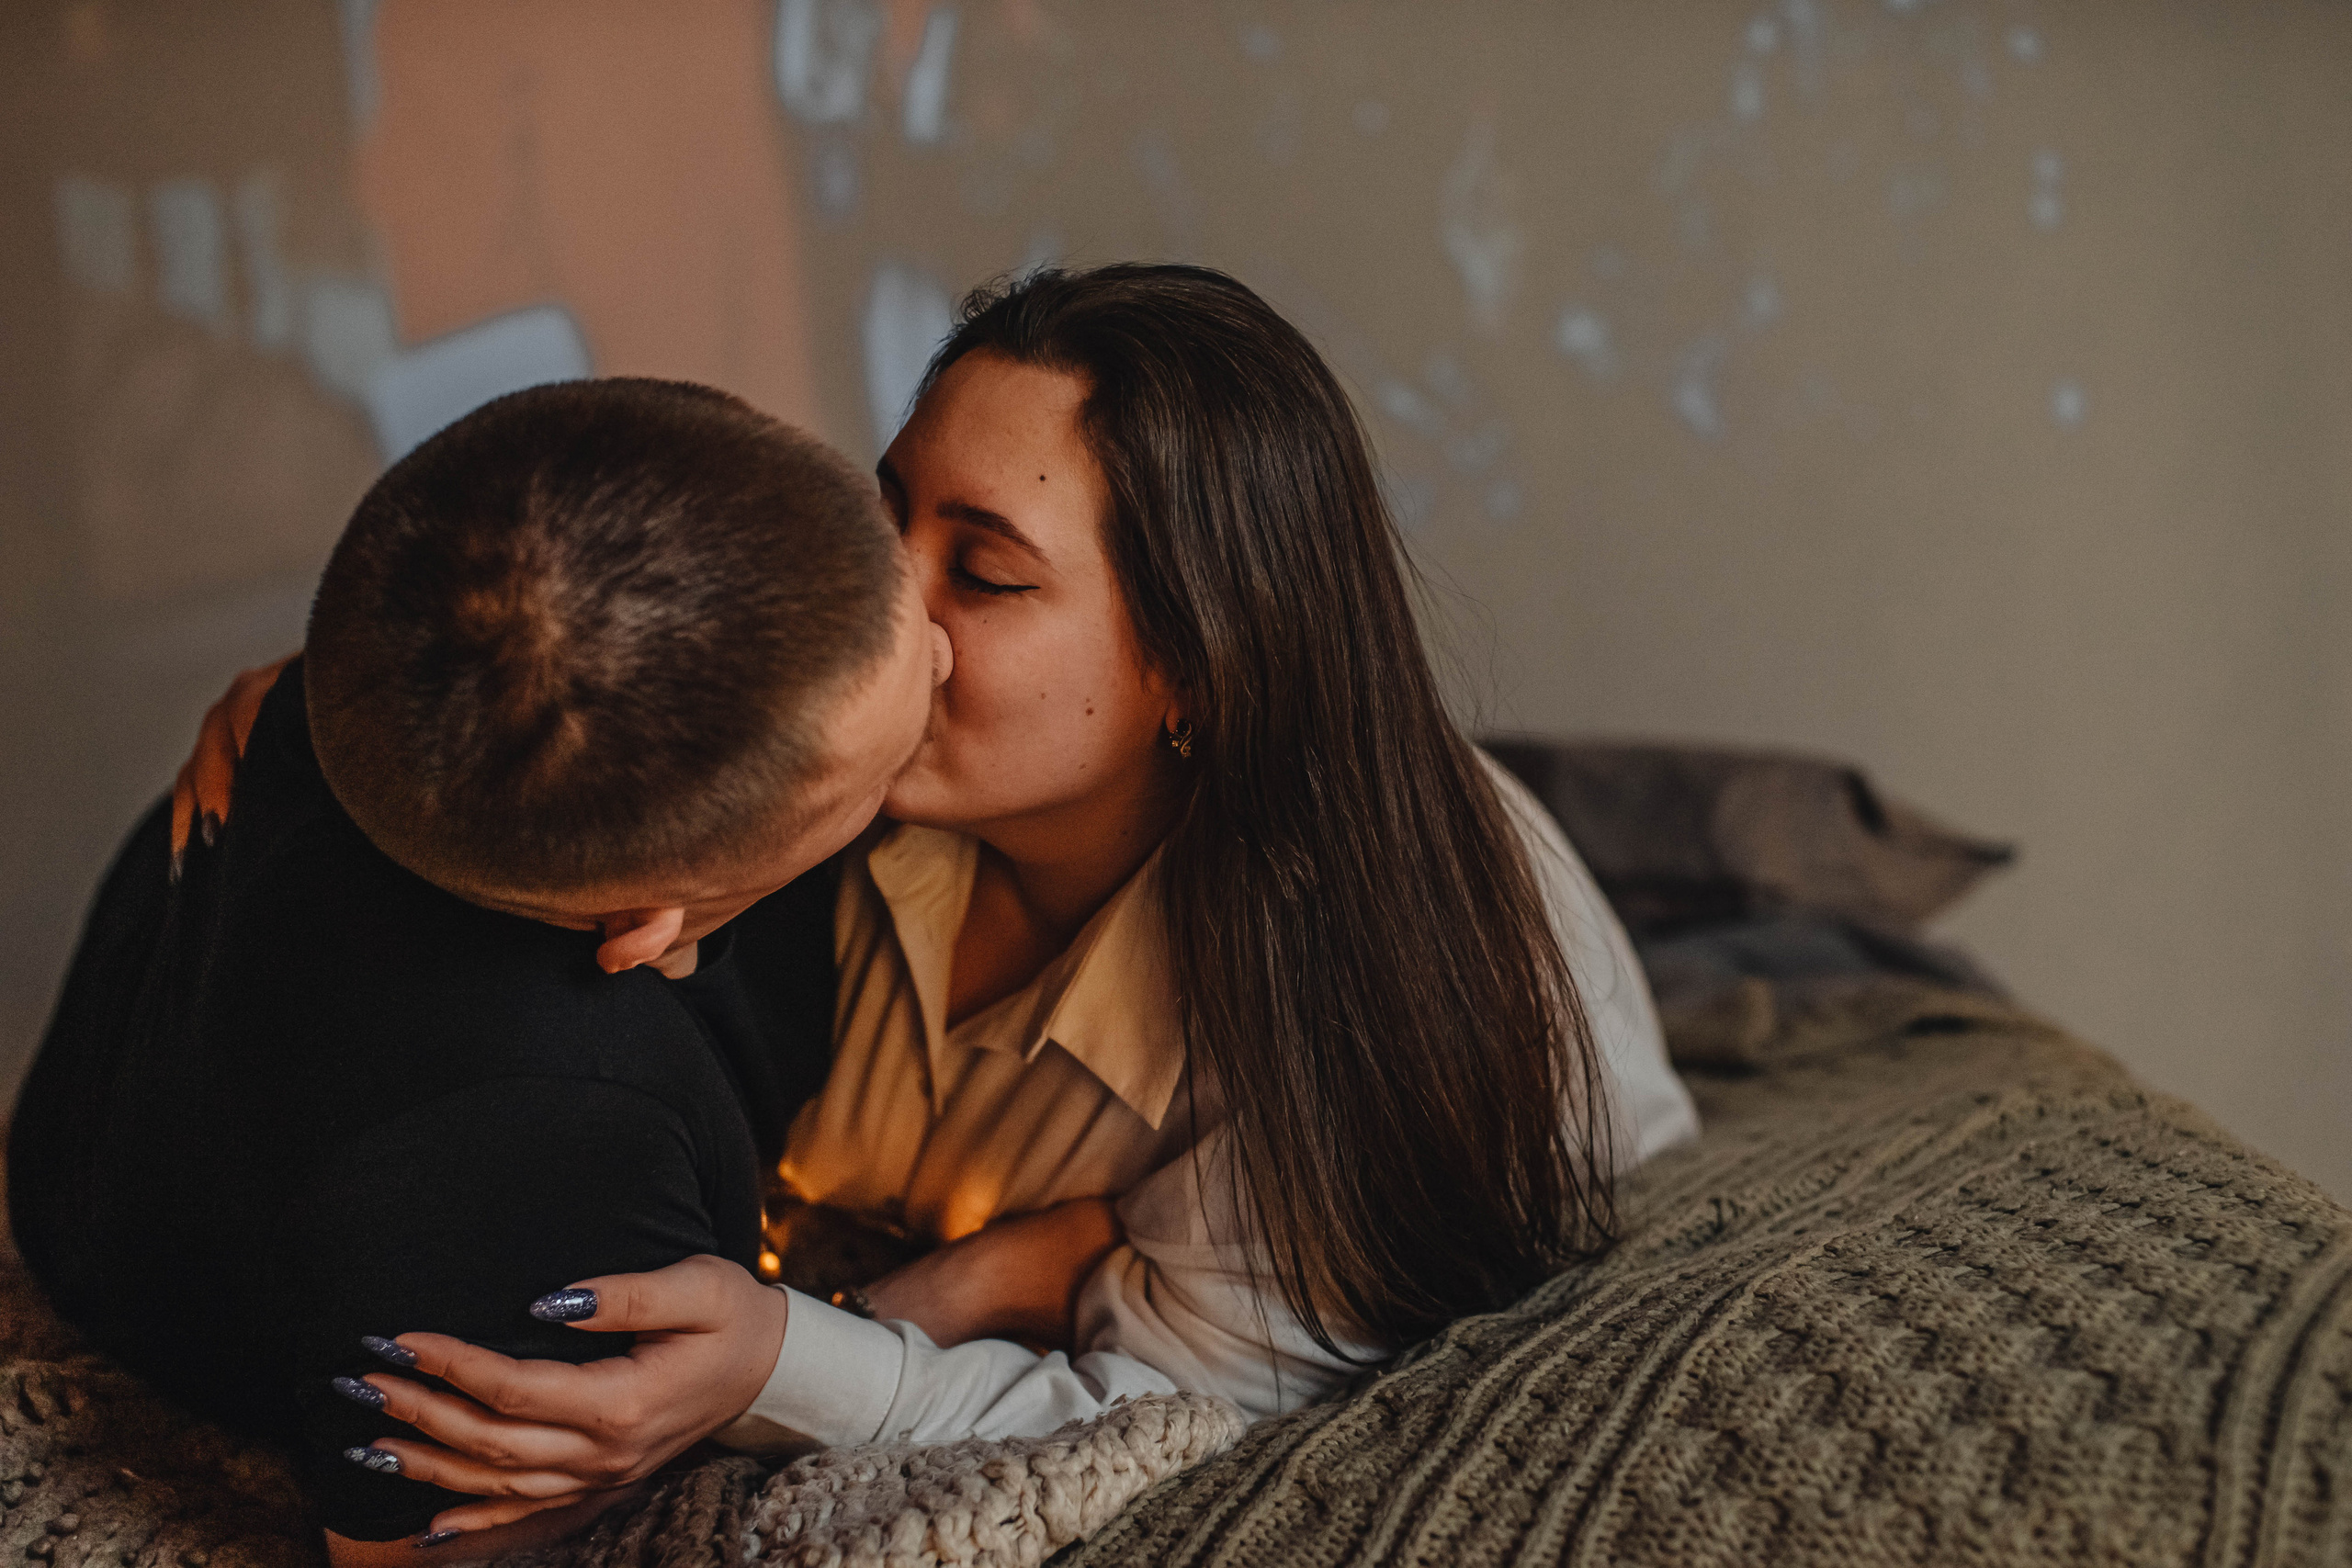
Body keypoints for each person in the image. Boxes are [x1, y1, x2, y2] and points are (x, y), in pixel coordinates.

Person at [198, 265, 1702, 1544]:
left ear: (1199, 665)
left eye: (981, 576)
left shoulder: (1355, 1020)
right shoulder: (872, 775)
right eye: (882, 519)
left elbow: (1167, 1405)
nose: (884, 612)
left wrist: (789, 1359)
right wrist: (380, 709)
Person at [5, 378, 972, 1562]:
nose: (941, 647)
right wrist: (911, 1320)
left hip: (154, 1058)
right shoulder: (529, 1148)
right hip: (150, 1239)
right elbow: (425, 1542)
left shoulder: (400, 668)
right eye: (881, 770)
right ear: (643, 925)